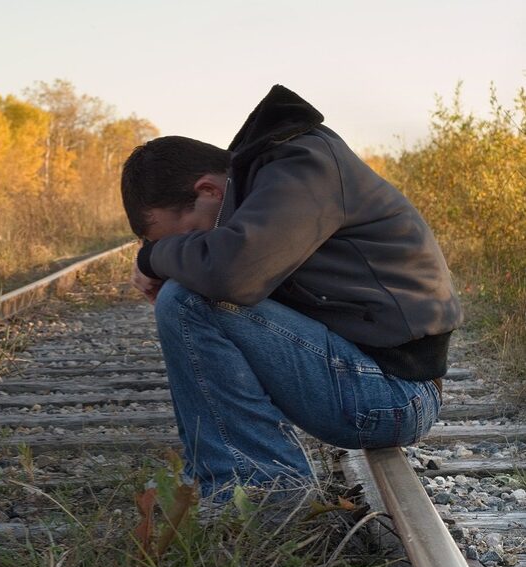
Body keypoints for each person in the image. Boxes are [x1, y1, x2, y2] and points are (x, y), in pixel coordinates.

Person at [120, 85, 463, 502]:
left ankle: (265, 494)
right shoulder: (267, 184)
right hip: (367, 374)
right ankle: (240, 481)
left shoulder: (304, 166)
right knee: (191, 290)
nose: (193, 246)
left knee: (187, 300)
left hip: (396, 393)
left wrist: (155, 256)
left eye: (190, 235)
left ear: (208, 190)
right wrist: (166, 253)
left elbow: (235, 273)